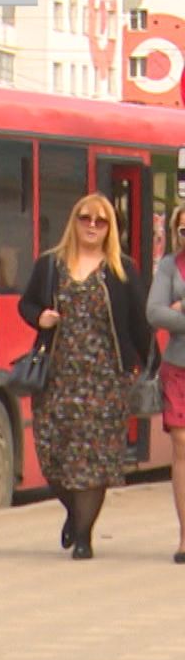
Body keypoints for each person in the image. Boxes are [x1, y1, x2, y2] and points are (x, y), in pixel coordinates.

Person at [19, 192, 151, 561]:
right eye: (85, 218)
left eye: (100, 221)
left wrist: (149, 366)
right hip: (57, 376)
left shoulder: (122, 270)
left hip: (106, 379)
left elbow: (139, 322)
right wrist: (40, 318)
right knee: (52, 453)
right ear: (74, 222)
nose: (92, 226)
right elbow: (26, 303)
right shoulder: (50, 264)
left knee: (93, 460)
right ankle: (74, 512)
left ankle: (83, 537)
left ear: (110, 229)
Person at [144, 204, 185, 563]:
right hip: (179, 368)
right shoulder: (170, 266)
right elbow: (154, 311)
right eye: (184, 231)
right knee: (181, 446)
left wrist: (180, 307)